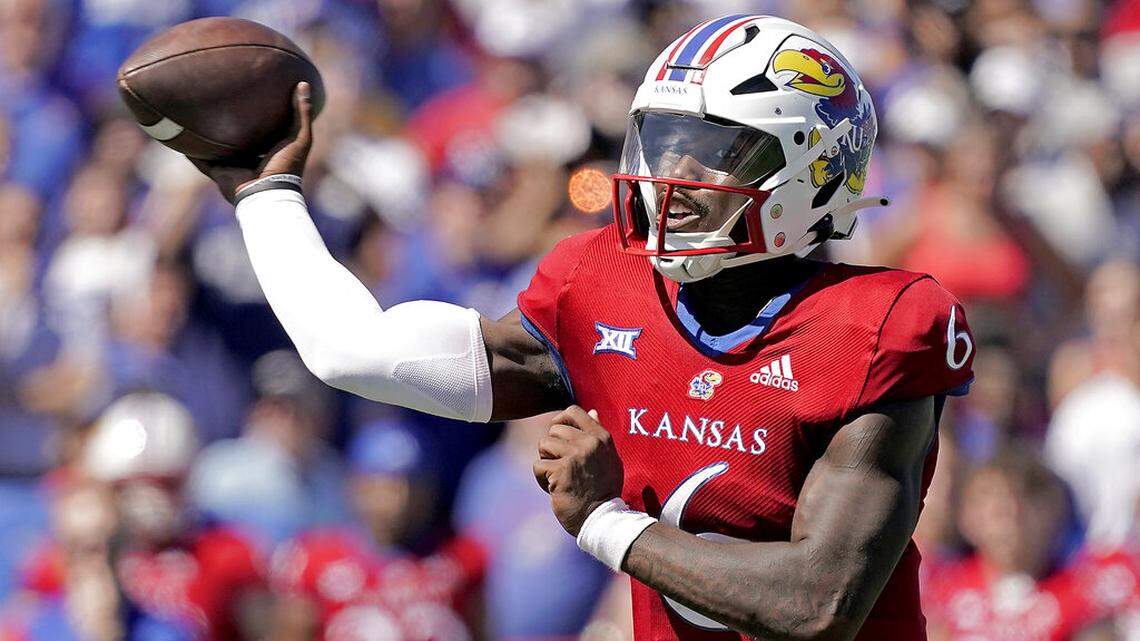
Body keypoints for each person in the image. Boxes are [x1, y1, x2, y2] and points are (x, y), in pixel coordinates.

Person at [189, 15, 975, 641]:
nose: (674, 176)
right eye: (663, 143)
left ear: (812, 169)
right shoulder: (599, 284)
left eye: (712, 153)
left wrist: (604, 521)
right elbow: (353, 348)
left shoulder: (882, 326)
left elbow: (818, 603)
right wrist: (267, 197)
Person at [269, 419, 485, 641]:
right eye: (385, 487)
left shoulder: (462, 557)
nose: (399, 501)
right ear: (356, 487)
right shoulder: (314, 559)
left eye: (413, 487)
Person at [923, 451, 1140, 641]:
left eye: (1022, 501)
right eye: (994, 507)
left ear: (1053, 512)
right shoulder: (941, 594)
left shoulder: (1083, 593)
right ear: (966, 517)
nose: (1008, 519)